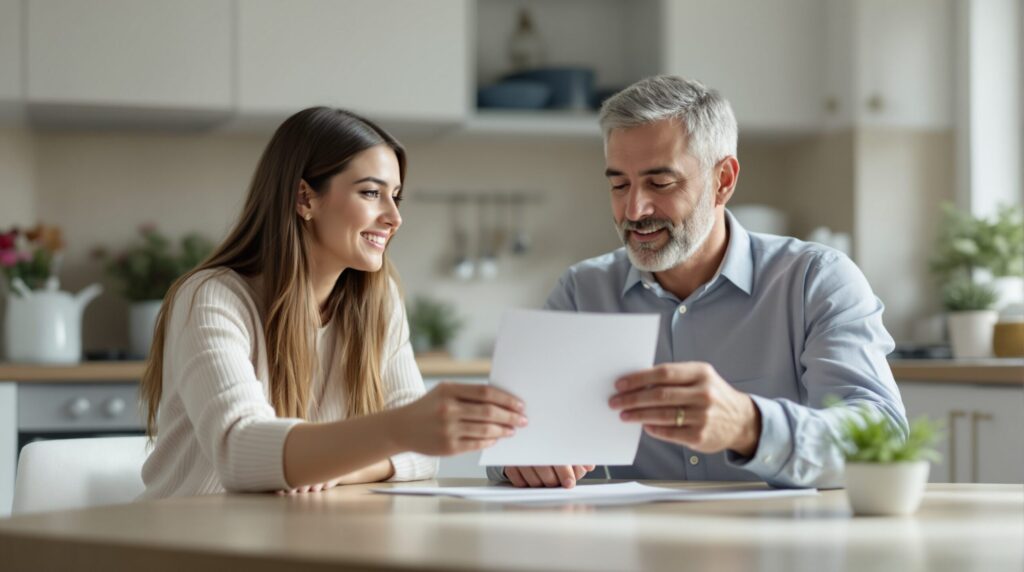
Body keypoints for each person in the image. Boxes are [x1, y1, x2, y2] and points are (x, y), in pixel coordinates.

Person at [491, 75, 906, 490]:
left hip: (778, 546)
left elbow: (881, 436)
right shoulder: (582, 291)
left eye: (660, 183)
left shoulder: (816, 281)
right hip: (627, 549)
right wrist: (520, 458)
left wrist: (750, 427)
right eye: (619, 184)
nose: (634, 210)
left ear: (723, 180)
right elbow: (507, 439)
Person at [139, 107, 527, 499]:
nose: (394, 217)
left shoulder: (379, 300)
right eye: (371, 193)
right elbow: (240, 452)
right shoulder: (211, 298)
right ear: (304, 197)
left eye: (395, 197)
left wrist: (338, 469)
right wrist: (398, 430)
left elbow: (424, 457)